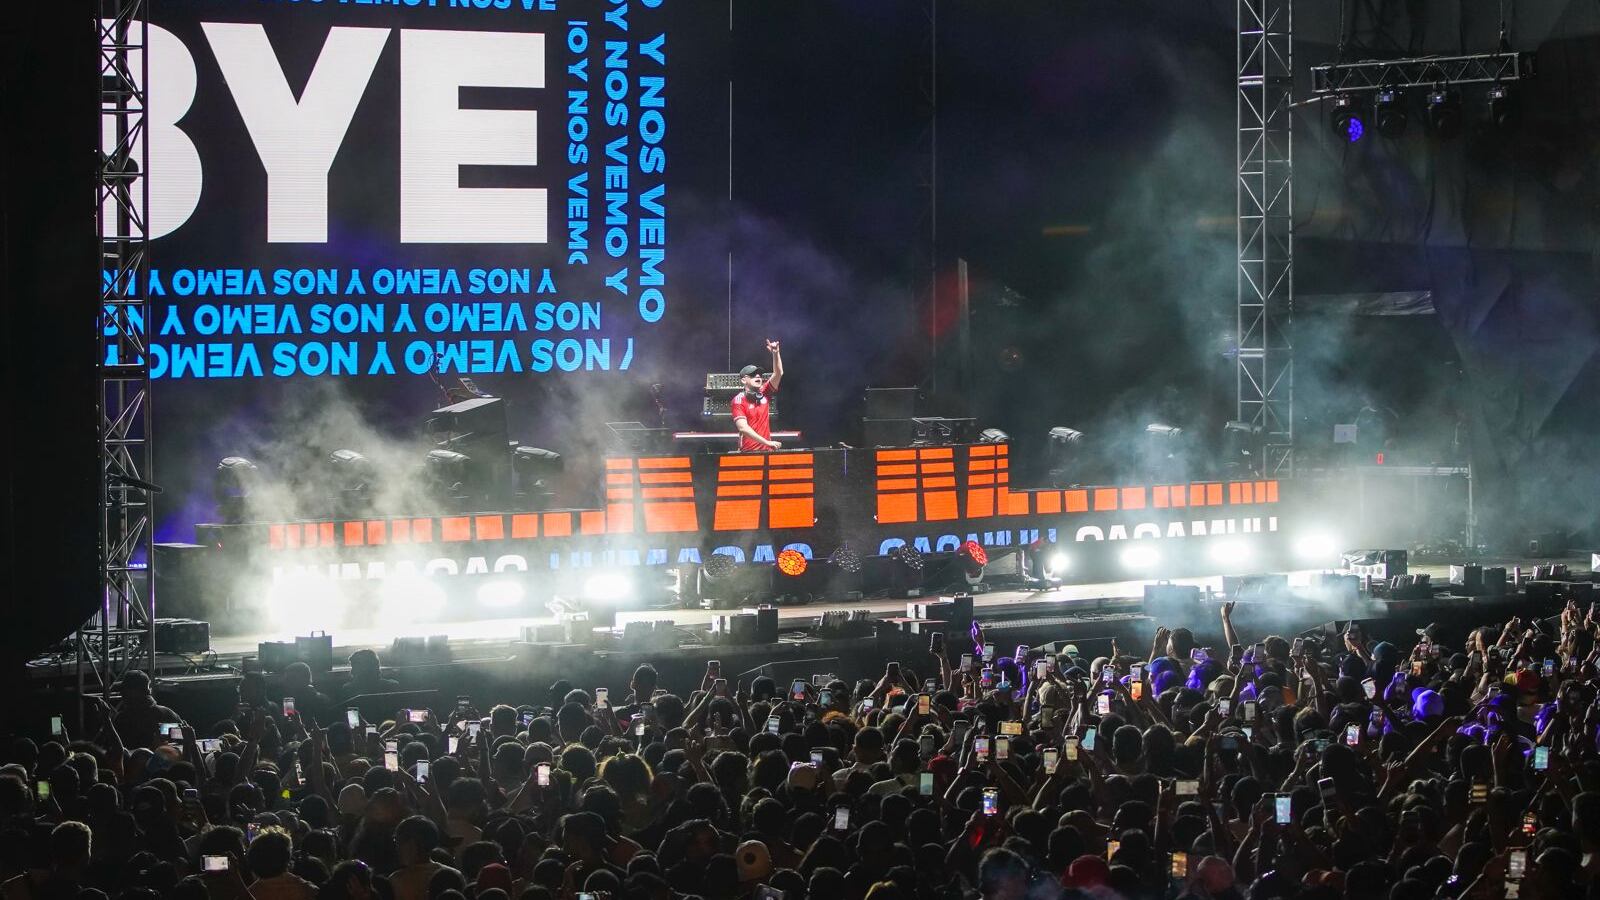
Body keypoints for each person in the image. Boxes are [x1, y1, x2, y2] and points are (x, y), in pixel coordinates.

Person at [731, 339, 784, 452]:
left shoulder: (764, 392)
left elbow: (778, 373)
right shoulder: (738, 400)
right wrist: (767, 442)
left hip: (767, 450)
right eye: (753, 375)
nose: (758, 377)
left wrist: (775, 353)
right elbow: (743, 428)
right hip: (748, 452)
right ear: (744, 380)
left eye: (759, 375)